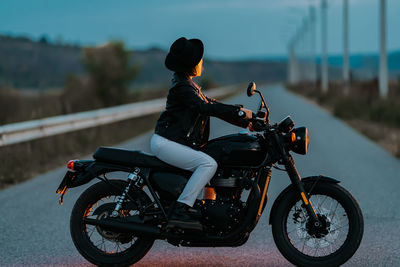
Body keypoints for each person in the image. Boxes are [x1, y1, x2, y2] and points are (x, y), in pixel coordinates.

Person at [150, 37, 252, 230]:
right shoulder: (183, 87)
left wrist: (244, 117)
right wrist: (238, 113)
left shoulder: (187, 85)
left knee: (215, 158)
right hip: (166, 142)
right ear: (192, 64)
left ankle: (207, 211)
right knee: (208, 163)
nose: (202, 64)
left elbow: (210, 103)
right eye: (200, 61)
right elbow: (205, 107)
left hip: (173, 140)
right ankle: (181, 210)